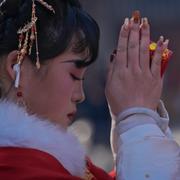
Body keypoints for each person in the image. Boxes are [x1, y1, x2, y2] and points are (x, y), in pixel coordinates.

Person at [0, 0, 179, 179]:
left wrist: (132, 130)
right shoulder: (13, 167)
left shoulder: (37, 162)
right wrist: (138, 124)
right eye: (73, 75)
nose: (80, 96)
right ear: (18, 68)